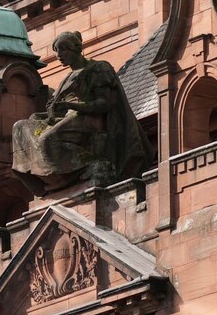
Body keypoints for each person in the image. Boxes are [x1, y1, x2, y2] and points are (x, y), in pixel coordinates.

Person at [13, 31, 150, 195]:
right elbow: (58, 110)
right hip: (68, 117)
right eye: (57, 51)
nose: (59, 55)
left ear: (77, 48)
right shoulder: (67, 78)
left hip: (90, 119)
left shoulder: (98, 68)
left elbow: (104, 104)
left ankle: (92, 164)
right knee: (20, 126)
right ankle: (50, 179)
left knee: (47, 139)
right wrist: (43, 115)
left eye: (63, 49)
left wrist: (73, 105)